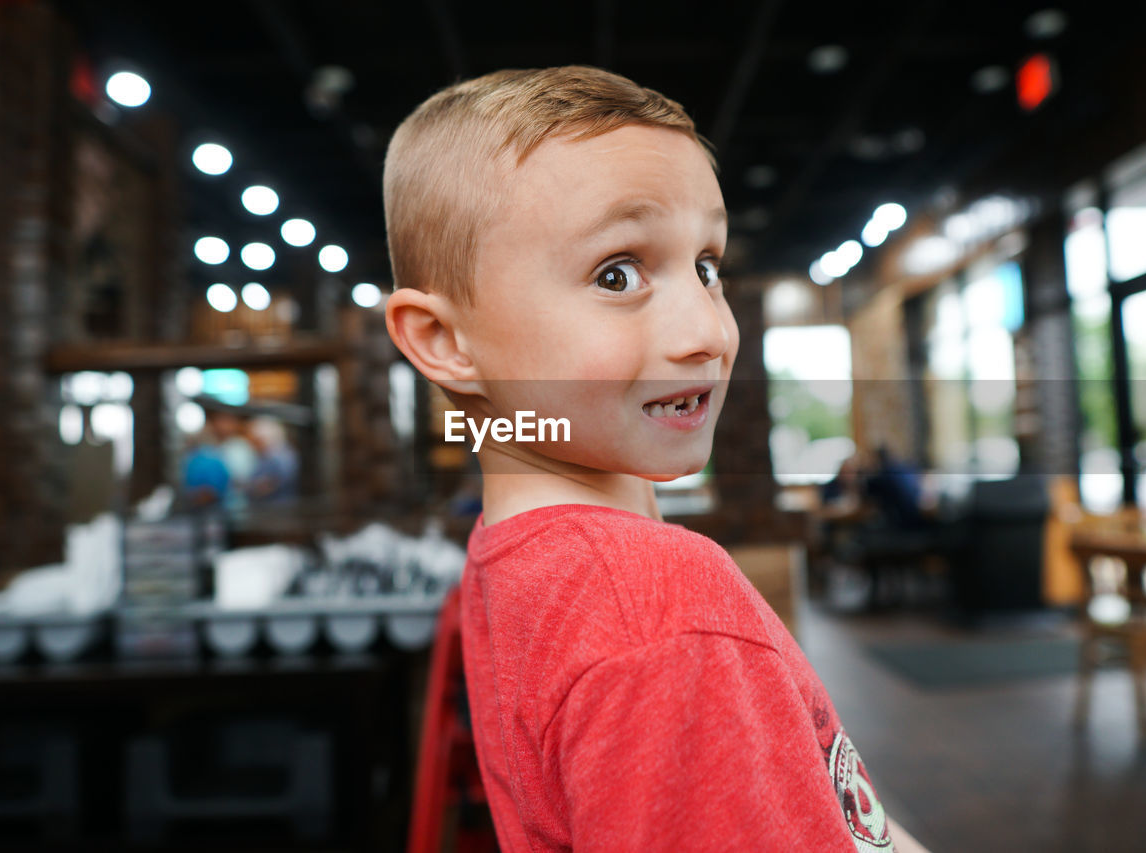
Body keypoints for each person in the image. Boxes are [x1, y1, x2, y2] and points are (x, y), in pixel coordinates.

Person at [383, 66, 928, 852]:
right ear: (444, 341)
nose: (708, 329)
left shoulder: (514, 566)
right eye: (618, 274)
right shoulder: (654, 602)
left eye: (708, 265)